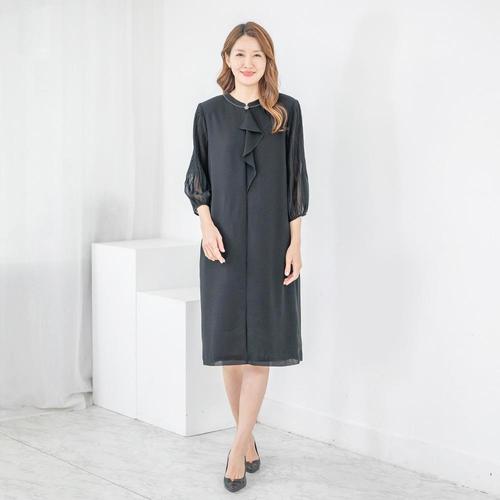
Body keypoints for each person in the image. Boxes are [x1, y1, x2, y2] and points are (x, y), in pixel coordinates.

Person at [184, 21, 309, 493]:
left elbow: (296, 180)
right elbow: (198, 177)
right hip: (223, 244)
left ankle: (237, 448)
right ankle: (248, 439)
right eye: (240, 54)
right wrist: (206, 224)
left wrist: (295, 244)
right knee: (230, 351)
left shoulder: (286, 112)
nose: (248, 63)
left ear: (267, 61)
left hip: (273, 243)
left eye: (257, 55)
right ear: (227, 59)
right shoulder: (208, 113)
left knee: (262, 348)